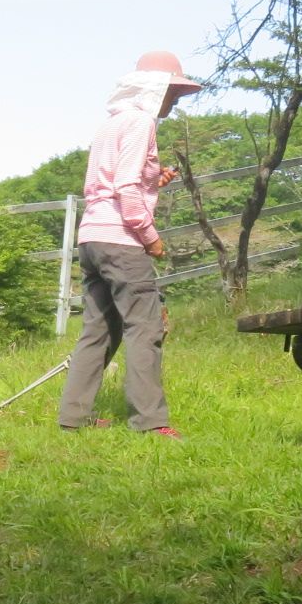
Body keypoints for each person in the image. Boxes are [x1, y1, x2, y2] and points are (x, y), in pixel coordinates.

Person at [56, 50, 198, 437]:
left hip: (92, 238)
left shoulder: (112, 123)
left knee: (98, 329)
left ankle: (74, 417)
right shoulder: (140, 123)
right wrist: (151, 238)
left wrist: (156, 181)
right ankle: (151, 423)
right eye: (173, 92)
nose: (175, 100)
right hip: (122, 239)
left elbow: (112, 182)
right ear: (156, 89)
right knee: (144, 327)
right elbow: (126, 189)